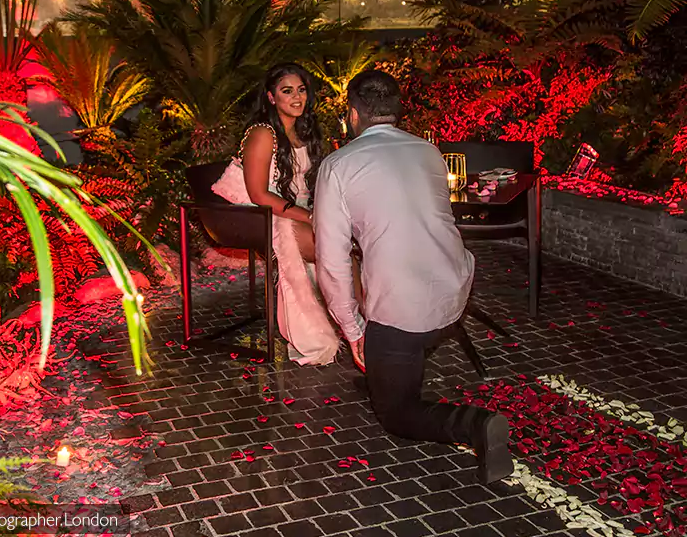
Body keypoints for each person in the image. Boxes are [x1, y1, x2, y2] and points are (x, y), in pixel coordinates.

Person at [312, 70, 513, 485]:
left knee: (397, 413)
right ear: (397, 110)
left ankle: (475, 425)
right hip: (454, 290)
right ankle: (394, 368)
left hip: (404, 312)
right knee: (402, 334)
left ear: (353, 114)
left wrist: (353, 331)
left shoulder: (338, 165)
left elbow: (330, 263)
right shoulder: (428, 151)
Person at [212, 63, 343, 365]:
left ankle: (359, 321)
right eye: (287, 91)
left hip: (292, 210)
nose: (297, 98)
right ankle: (356, 324)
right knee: (336, 246)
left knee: (348, 241)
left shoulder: (302, 130)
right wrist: (308, 216)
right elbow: (258, 194)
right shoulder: (262, 134)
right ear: (271, 97)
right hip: (259, 215)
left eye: (301, 90)